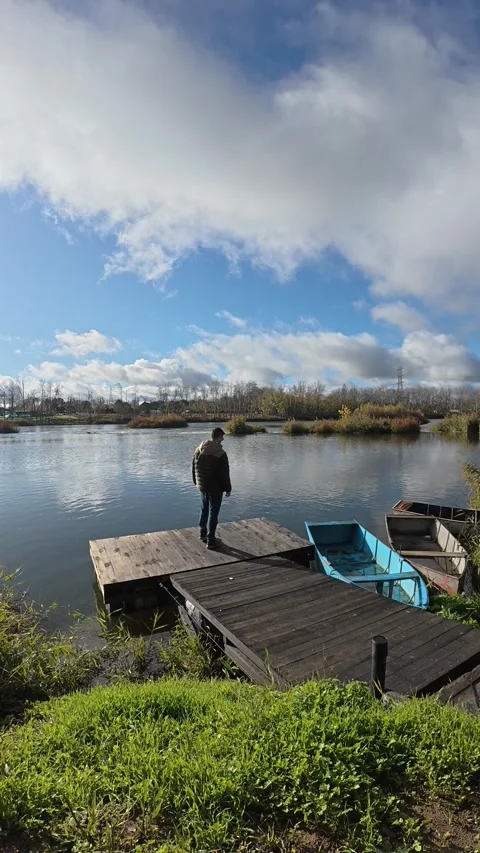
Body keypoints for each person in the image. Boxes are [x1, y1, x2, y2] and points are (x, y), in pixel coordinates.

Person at [192, 427, 232, 549]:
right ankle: (211, 540)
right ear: (218, 437)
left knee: (204, 509)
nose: (223, 439)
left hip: (203, 486)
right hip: (215, 488)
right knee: (213, 513)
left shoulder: (198, 449)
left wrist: (196, 483)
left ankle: (202, 533)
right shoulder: (221, 454)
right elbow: (224, 474)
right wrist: (228, 488)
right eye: (222, 437)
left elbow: (193, 467)